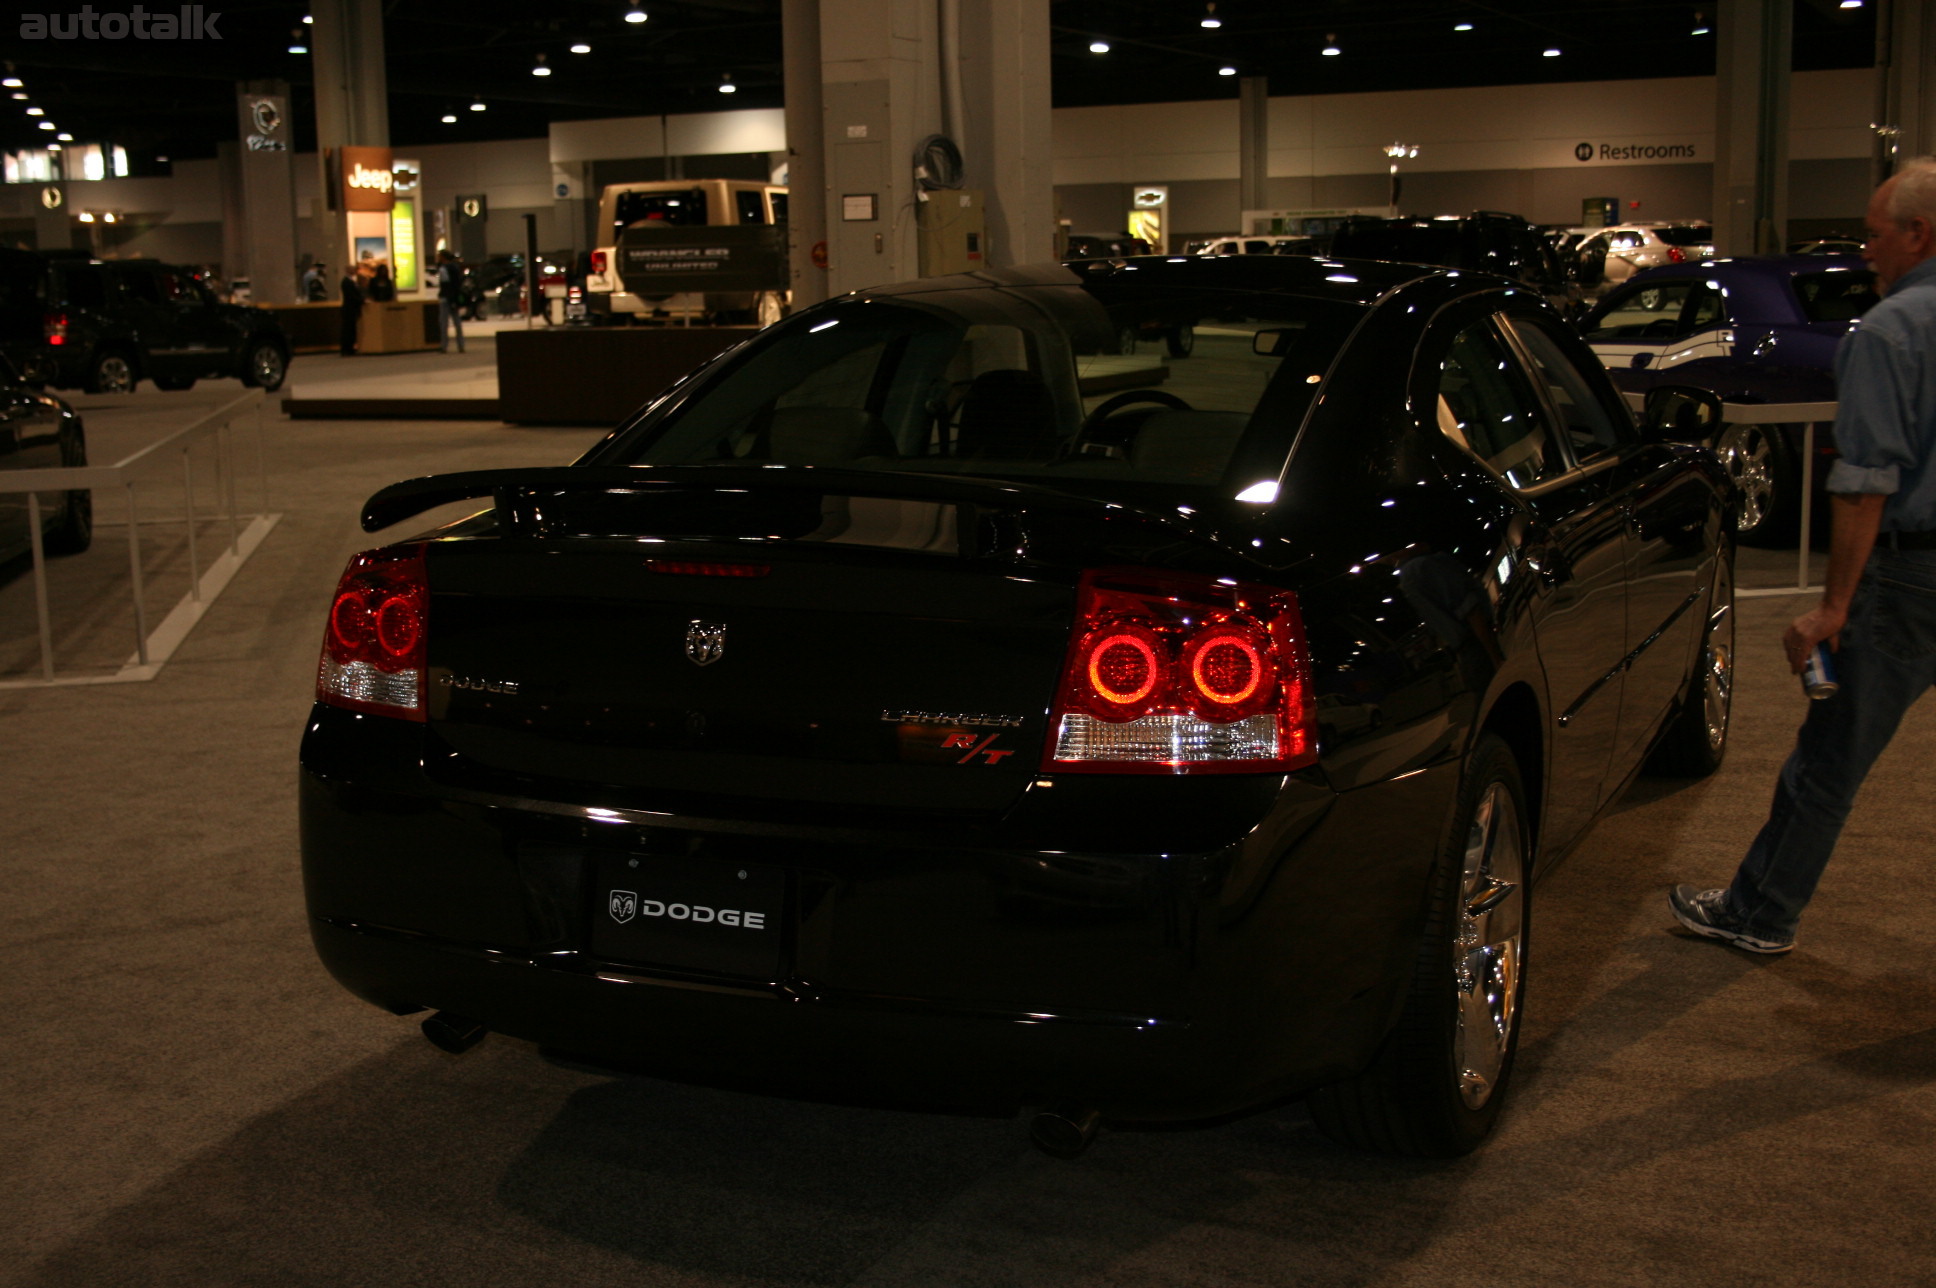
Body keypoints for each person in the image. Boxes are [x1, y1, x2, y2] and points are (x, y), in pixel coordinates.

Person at [1670, 158, 1936, 954]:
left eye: (1875, 235)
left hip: (1908, 577)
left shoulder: (1890, 333)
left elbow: (1863, 486)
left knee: (1831, 758)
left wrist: (1833, 608)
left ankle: (1760, 912)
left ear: (1919, 235)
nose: (1867, 252)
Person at [434, 249, 465, 353]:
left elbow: (446, 284)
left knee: (443, 322)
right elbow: (457, 284)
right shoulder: (455, 268)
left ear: (443, 257)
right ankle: (461, 345)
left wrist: (447, 296)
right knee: (457, 322)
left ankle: (444, 345)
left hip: (446, 298)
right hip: (454, 298)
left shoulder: (443, 269)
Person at [339, 262, 366, 357]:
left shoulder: (352, 281)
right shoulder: (346, 282)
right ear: (348, 270)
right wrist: (361, 300)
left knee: (352, 329)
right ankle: (346, 349)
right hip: (349, 309)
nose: (354, 271)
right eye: (353, 269)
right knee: (348, 329)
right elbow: (351, 296)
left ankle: (350, 347)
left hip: (352, 309)